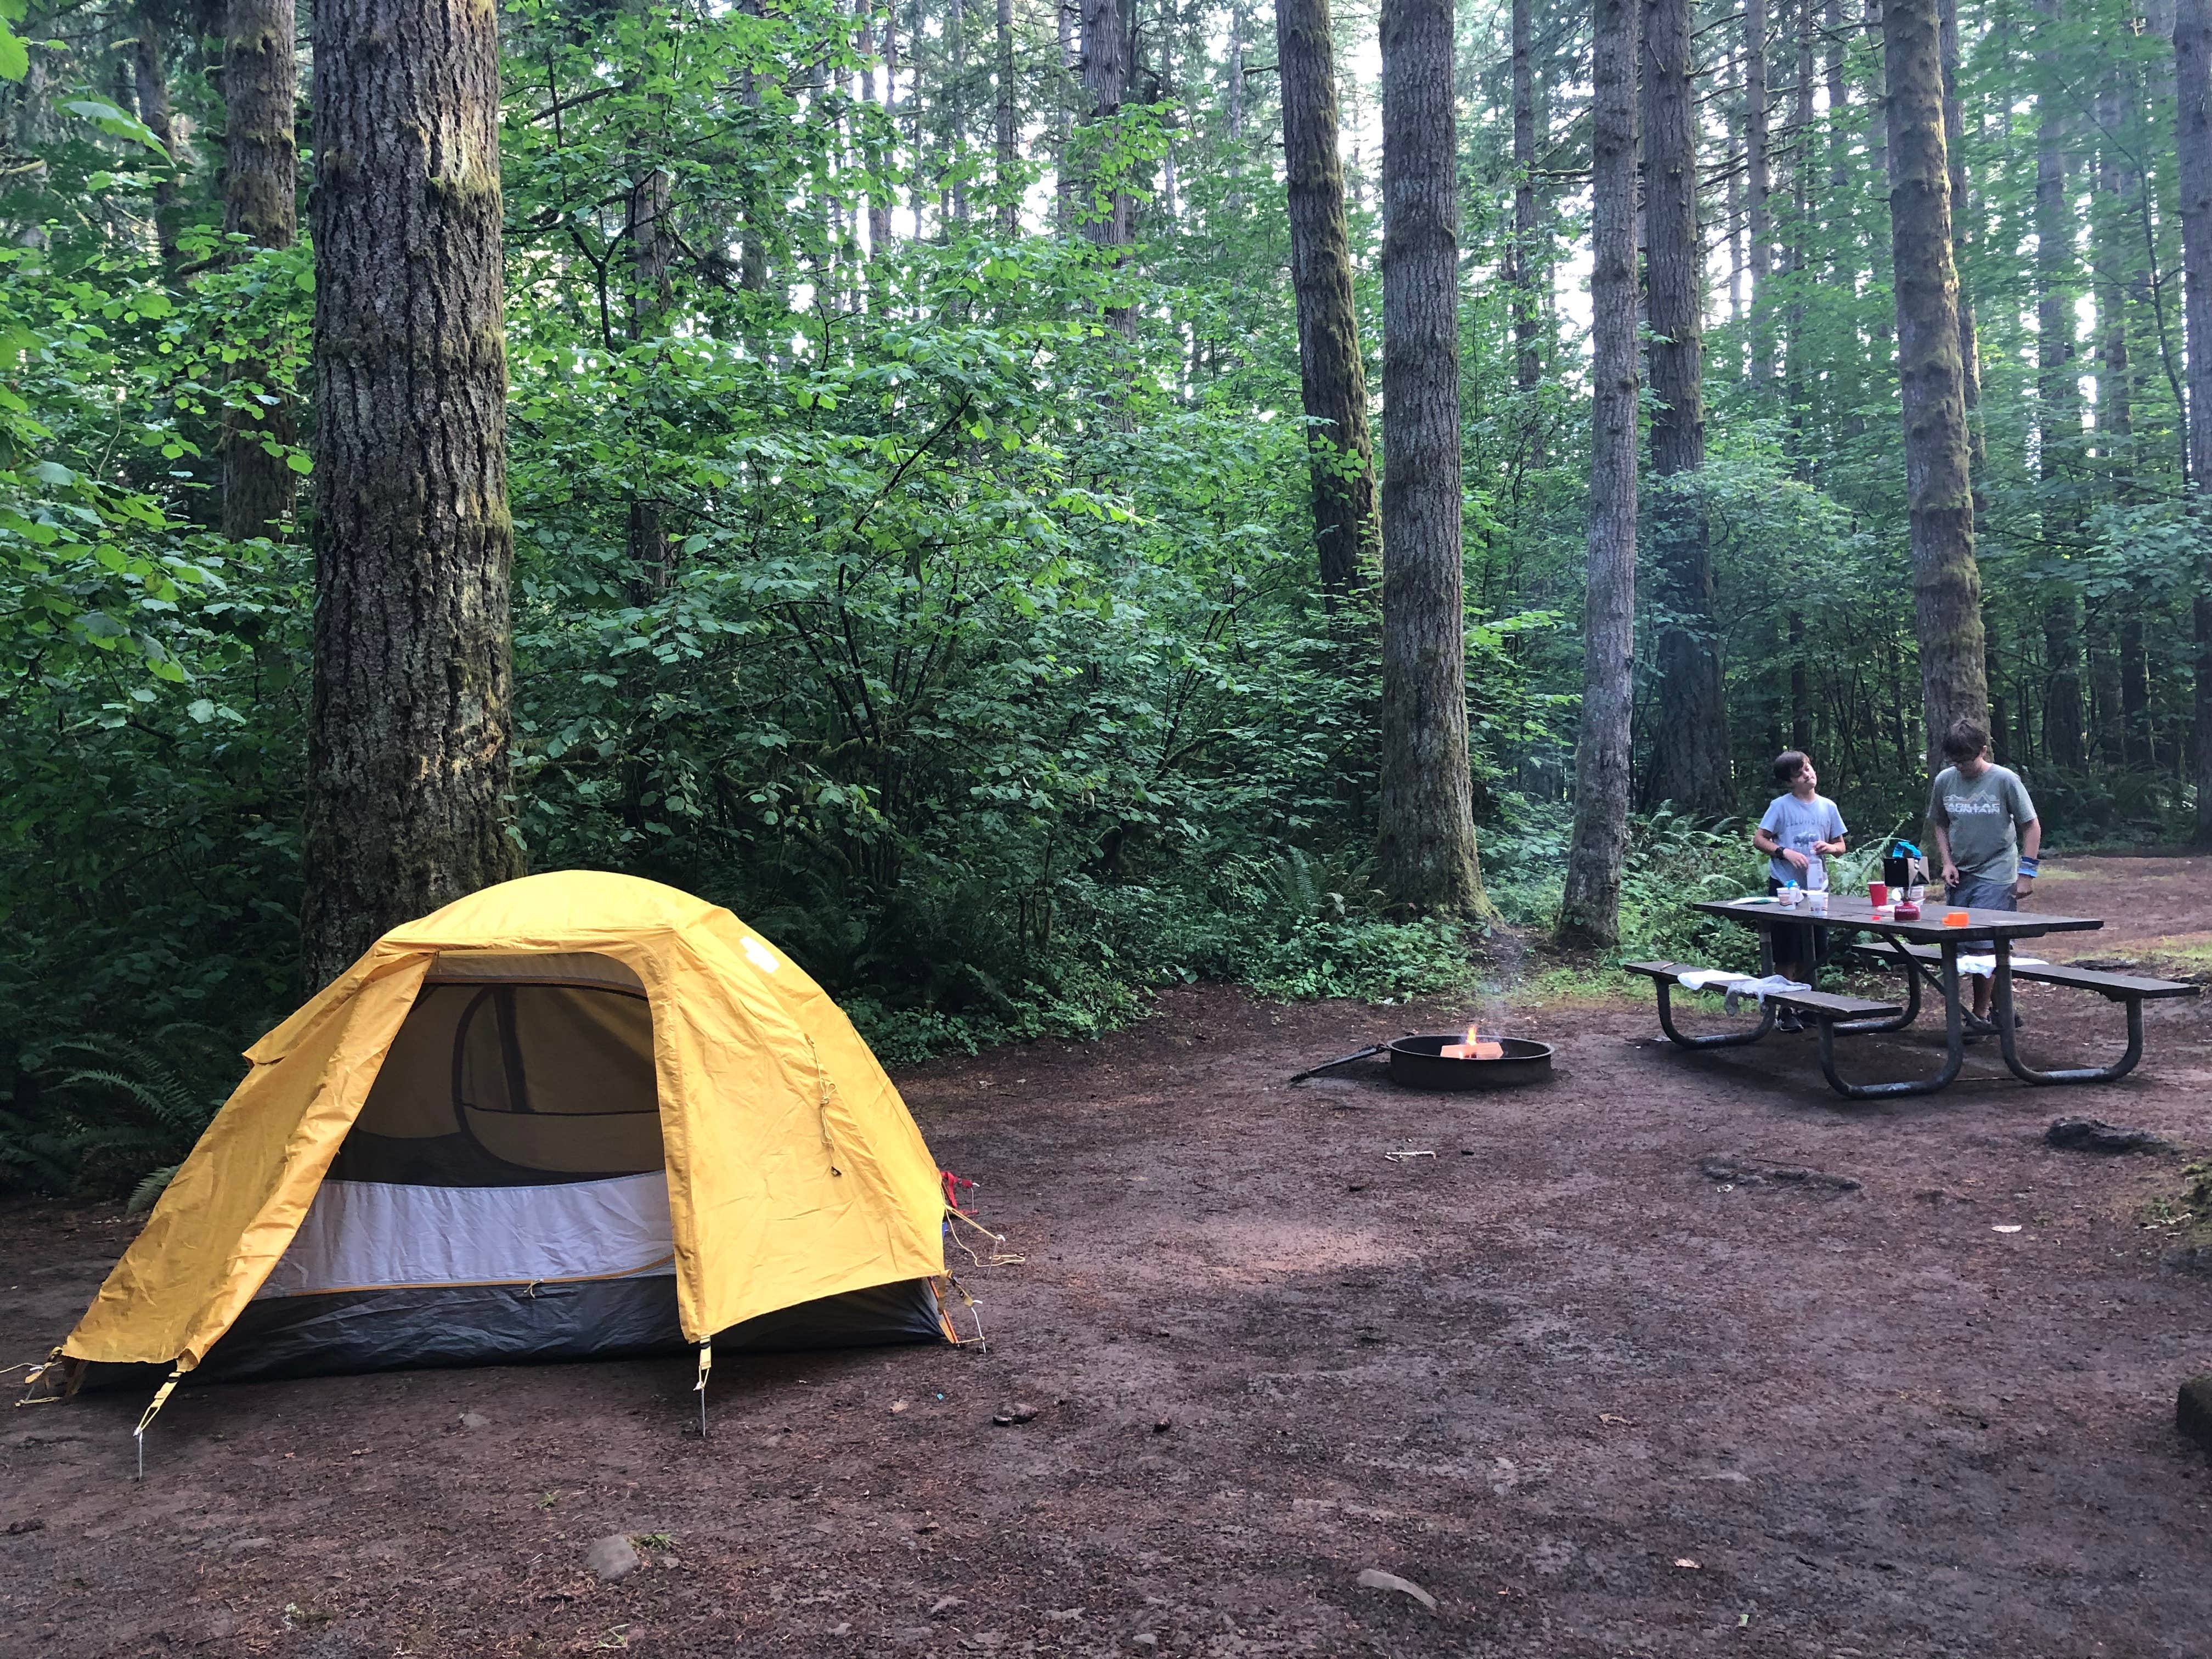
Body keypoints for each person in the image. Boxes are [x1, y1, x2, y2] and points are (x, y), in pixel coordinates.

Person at [1927, 716, 2041, 1030]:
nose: (1961, 767)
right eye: (1955, 761)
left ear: (1982, 750)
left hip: (1997, 872)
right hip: (1961, 873)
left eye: (1967, 760)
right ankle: (2004, 1009)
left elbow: (2031, 825)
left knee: (1984, 946)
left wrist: (2026, 874)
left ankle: (1979, 1016)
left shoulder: (2005, 780)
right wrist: (1947, 862)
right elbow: (1940, 823)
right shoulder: (1945, 781)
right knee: (1966, 944)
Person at [1752, 751, 1848, 1032]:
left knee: (1813, 950)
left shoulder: (1828, 807)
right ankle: (1785, 1010)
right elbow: (1759, 839)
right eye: (1800, 773)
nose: (1808, 775)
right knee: (1786, 951)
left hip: (1817, 888)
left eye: (1808, 768)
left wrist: (1830, 848)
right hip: (1785, 885)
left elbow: (1841, 846)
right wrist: (1785, 852)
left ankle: (1806, 1005)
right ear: (1790, 782)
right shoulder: (1780, 807)